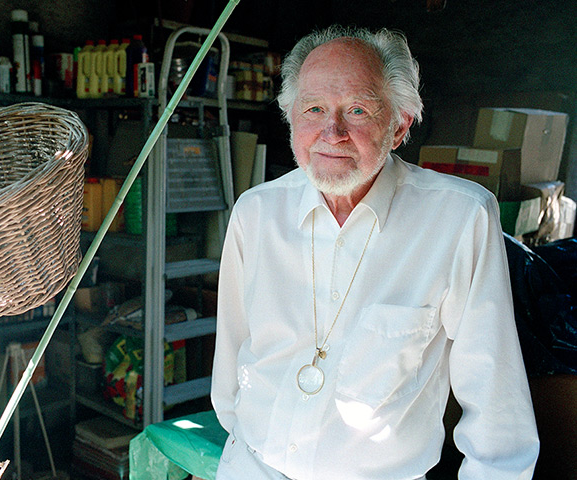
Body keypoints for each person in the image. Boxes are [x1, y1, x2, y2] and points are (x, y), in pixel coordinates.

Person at [210, 25, 539, 480]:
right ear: (291, 118)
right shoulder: (257, 213)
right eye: (314, 108)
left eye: (358, 109)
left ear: (400, 125)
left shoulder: (459, 218)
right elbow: (230, 369)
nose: (332, 131)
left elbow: (497, 411)